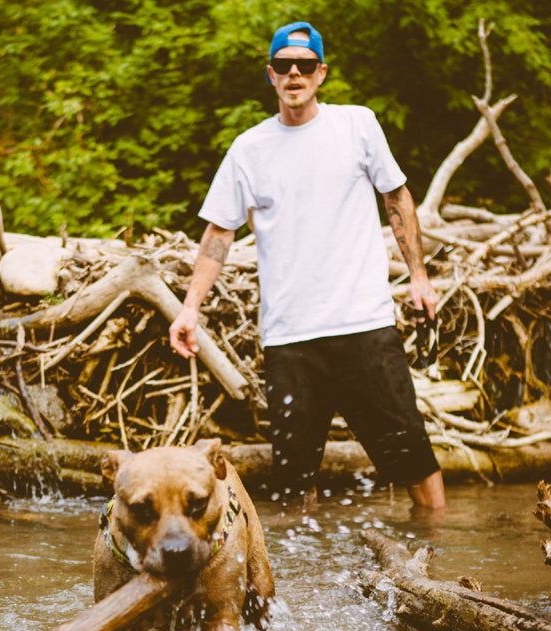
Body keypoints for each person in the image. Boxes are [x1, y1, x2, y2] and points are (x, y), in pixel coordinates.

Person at [168, 21, 445, 510]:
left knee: (416, 466)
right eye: (283, 65)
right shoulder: (248, 150)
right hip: (290, 339)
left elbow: (396, 196)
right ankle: (307, 579)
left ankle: (438, 572)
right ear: (270, 75)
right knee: (295, 486)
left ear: (321, 74)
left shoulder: (357, 124)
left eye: (304, 65)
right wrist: (189, 309)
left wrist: (419, 278)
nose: (293, 73)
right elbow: (219, 232)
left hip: (366, 324)